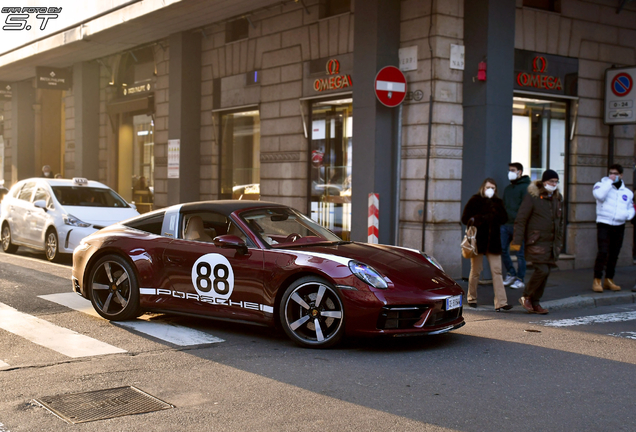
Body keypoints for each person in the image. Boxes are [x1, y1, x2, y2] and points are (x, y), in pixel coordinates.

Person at [512, 169, 564, 314]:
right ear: (543, 182)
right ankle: (526, 296)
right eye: (551, 181)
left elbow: (560, 222)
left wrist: (559, 241)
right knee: (542, 270)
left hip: (551, 243)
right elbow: (521, 219)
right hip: (537, 242)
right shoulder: (533, 197)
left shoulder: (557, 198)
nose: (554, 184)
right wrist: (517, 240)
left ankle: (535, 302)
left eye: (556, 181)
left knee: (546, 273)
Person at [461, 178, 513, 312]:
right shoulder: (475, 200)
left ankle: (501, 302)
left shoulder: (498, 202)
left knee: (497, 271)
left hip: (494, 242)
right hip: (478, 242)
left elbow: (504, 219)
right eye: (488, 187)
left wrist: (495, 209)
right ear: (483, 188)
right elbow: (465, 218)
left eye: (493, 188)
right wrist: (481, 218)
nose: (490, 190)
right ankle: (471, 298)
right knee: (476, 271)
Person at [592, 164, 634, 292]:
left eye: (615, 174)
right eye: (611, 173)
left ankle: (609, 279)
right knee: (603, 252)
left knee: (614, 254)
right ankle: (597, 280)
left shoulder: (627, 192)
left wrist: (627, 215)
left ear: (621, 175)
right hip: (604, 223)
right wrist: (609, 182)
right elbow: (599, 195)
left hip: (619, 225)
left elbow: (630, 207)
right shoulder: (601, 185)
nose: (613, 175)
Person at [501, 162, 531, 290]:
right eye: (509, 170)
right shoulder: (508, 189)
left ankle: (520, 278)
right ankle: (511, 273)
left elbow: (527, 208)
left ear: (520, 172)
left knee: (520, 254)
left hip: (518, 226)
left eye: (513, 170)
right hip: (505, 225)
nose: (510, 172)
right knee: (502, 250)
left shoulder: (525, 188)